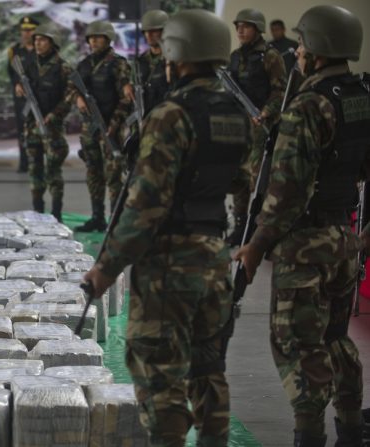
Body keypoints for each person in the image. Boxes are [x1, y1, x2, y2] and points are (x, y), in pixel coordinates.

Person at [83, 9, 250, 447]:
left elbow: (143, 208)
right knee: (208, 367)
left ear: (175, 51)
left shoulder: (170, 114)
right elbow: (241, 180)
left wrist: (106, 268)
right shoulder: (233, 112)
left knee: (159, 375)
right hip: (214, 254)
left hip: (168, 263)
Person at [233, 6, 368, 446]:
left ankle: (308, 436)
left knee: (296, 345)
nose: (298, 53)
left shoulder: (308, 106)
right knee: (335, 337)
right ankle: (350, 428)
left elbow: (285, 191)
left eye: (303, 45)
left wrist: (255, 245)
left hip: (305, 245)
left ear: (316, 49)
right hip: (344, 239)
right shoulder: (361, 97)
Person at [227, 8, 287, 245]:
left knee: (258, 180)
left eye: (246, 26)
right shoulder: (234, 56)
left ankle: (260, 231)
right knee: (238, 178)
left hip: (261, 127)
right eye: (238, 26)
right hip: (238, 127)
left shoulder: (270, 56)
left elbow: (280, 91)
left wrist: (264, 114)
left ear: (258, 29)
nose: (240, 30)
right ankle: (240, 227)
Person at [73, 20, 132, 232]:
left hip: (111, 128)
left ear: (108, 39)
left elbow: (127, 99)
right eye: (91, 37)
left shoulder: (118, 64)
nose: (93, 40)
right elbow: (73, 87)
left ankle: (115, 220)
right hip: (90, 128)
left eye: (98, 37)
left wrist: (114, 124)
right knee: (93, 172)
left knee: (114, 176)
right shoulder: (84, 64)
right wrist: (78, 98)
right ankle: (97, 217)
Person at [14, 24, 74, 222]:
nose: (38, 43)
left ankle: (56, 214)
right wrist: (19, 88)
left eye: (43, 40)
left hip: (52, 127)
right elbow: (21, 84)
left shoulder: (62, 67)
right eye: (36, 40)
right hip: (32, 125)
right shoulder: (28, 64)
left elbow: (69, 97)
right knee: (34, 169)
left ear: (52, 42)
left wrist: (54, 116)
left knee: (53, 171)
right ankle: (37, 213)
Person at [7, 16, 39, 173]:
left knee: (40, 128)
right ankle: (24, 162)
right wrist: (17, 85)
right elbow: (11, 73)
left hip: (40, 97)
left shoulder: (43, 50)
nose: (27, 33)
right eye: (25, 30)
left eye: (31, 30)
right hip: (21, 98)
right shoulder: (14, 51)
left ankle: (39, 161)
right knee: (22, 130)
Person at [136, 9, 171, 115]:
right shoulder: (139, 62)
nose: (149, 35)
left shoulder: (174, 60)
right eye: (146, 31)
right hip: (145, 118)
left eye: (154, 30)